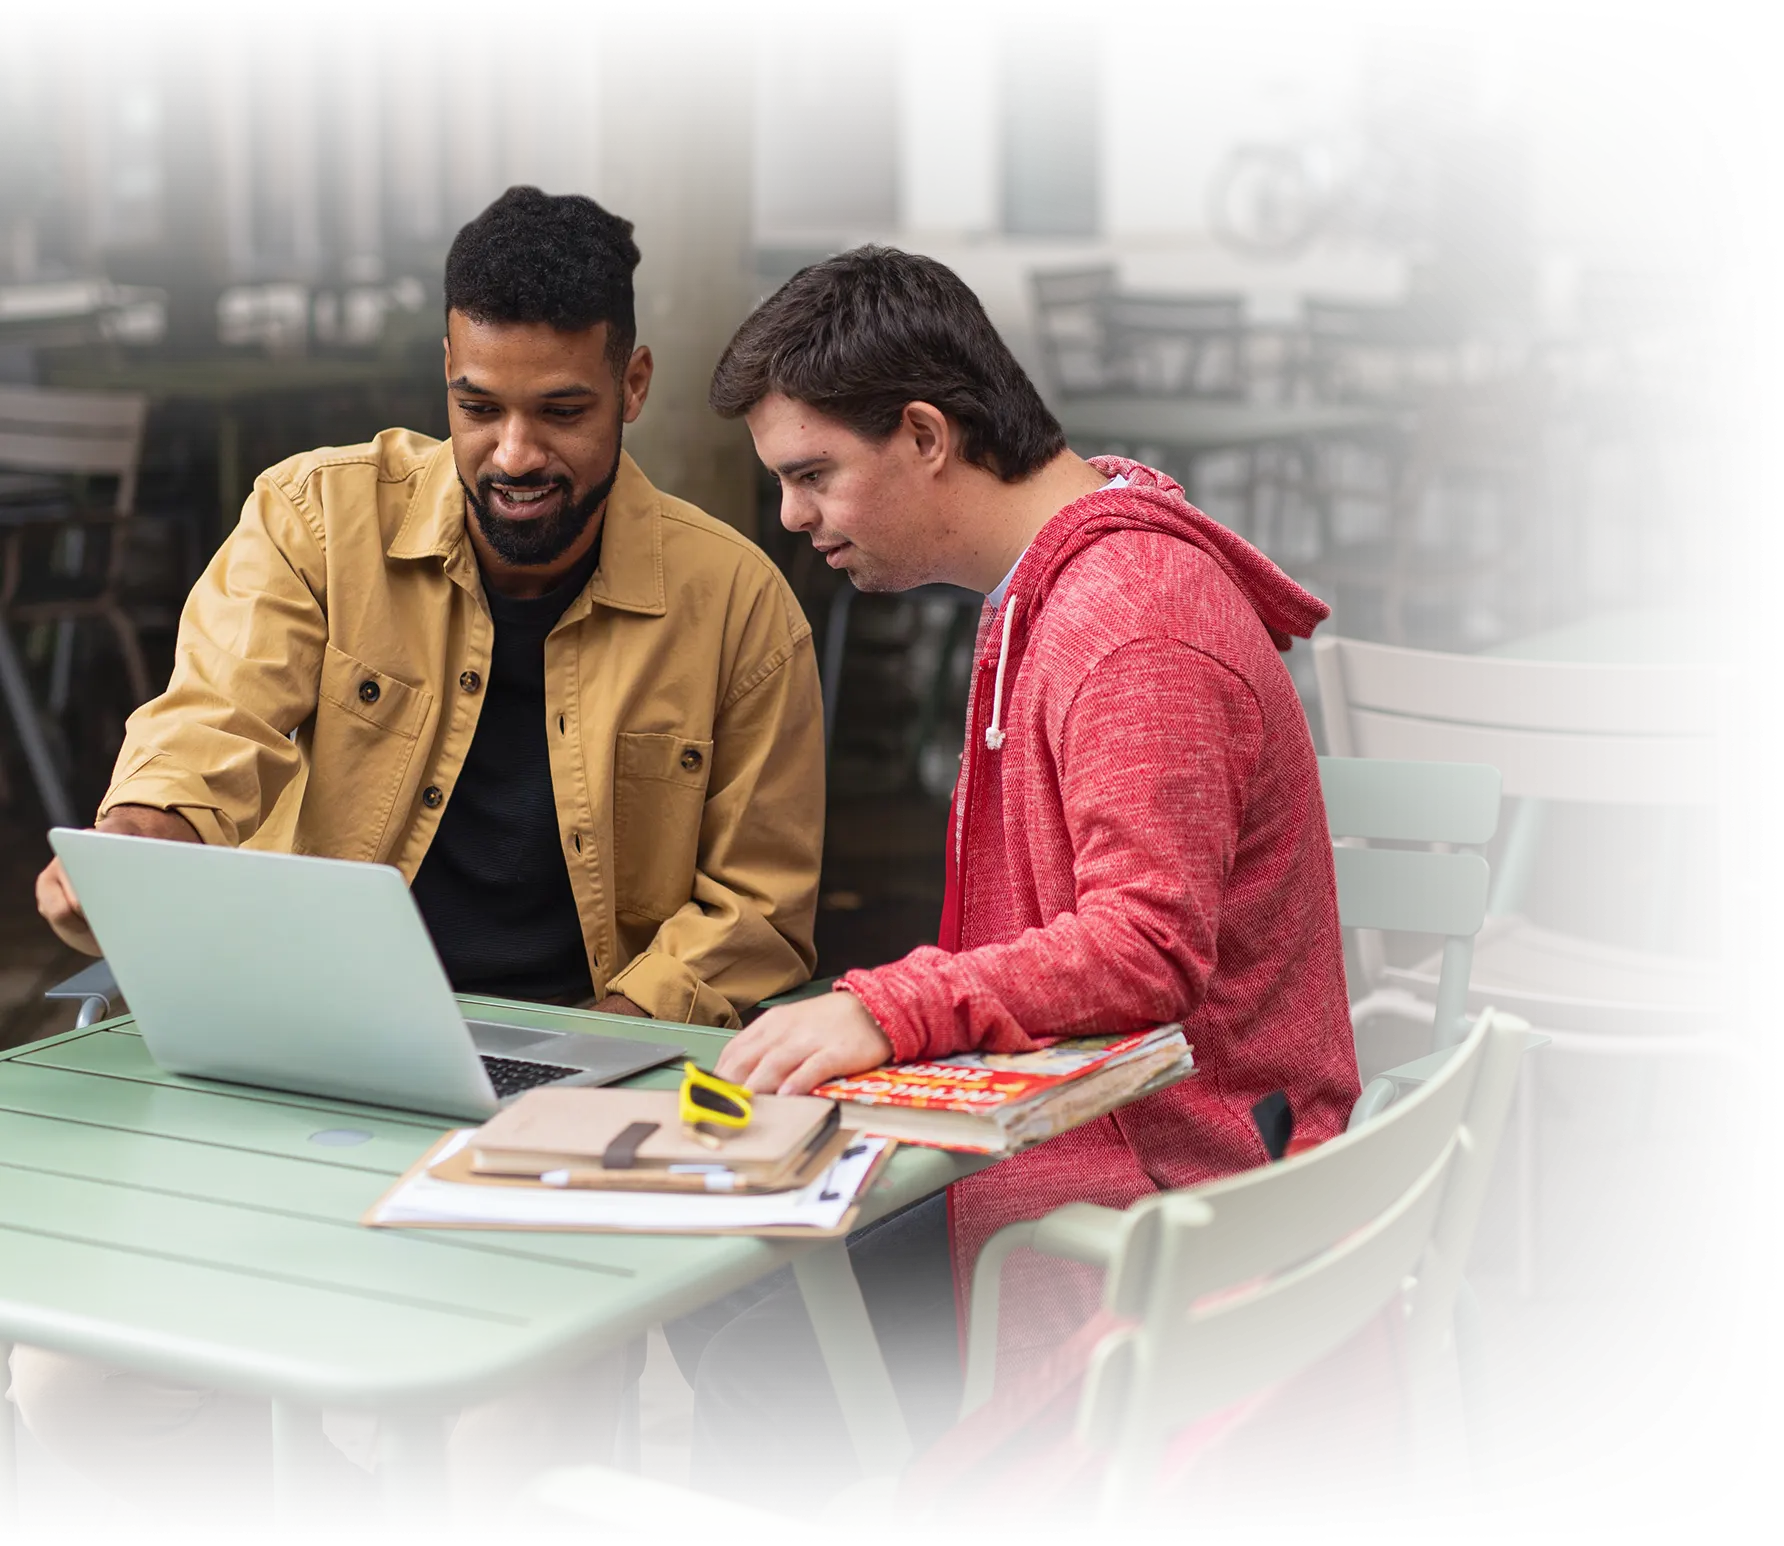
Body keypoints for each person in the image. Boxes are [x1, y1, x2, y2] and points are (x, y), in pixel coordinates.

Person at [19, 188, 824, 1543]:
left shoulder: (736, 603)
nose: (513, 451)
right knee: (71, 1386)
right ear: (441, 380)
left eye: (561, 411)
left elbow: (757, 916)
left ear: (632, 384)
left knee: (524, 1390)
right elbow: (211, 721)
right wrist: (151, 829)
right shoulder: (315, 520)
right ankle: (360, 1524)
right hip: (311, 1073)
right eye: (476, 405)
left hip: (571, 1100)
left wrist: (600, 1057)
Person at [663, 246, 1362, 1522]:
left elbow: (1145, 951)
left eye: (812, 475)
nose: (793, 517)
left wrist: (885, 1008)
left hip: (1169, 1186)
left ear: (924, 433)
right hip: (1112, 1135)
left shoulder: (1129, 623)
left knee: (763, 1380)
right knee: (726, 1278)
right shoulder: (1062, 581)